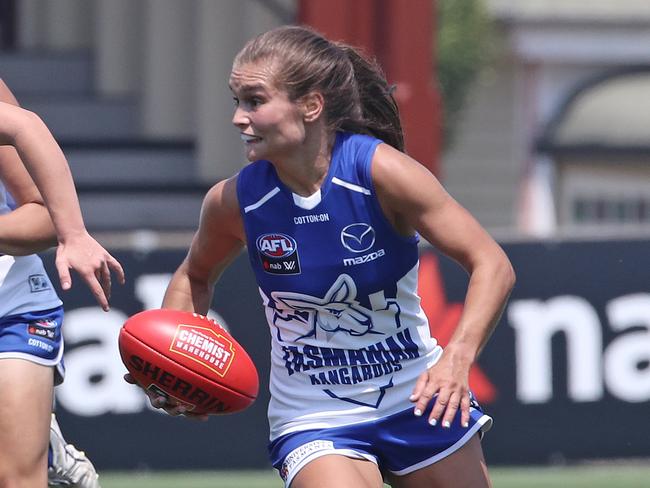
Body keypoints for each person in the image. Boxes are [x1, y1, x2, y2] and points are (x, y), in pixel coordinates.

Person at [136, 25, 515, 487]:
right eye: (236, 101)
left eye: (254, 101)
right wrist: (174, 368)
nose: (238, 117)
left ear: (311, 106)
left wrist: (457, 356)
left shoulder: (381, 173)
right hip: (314, 415)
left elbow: (491, 263)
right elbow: (194, 276)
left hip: (418, 396)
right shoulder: (235, 201)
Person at [0, 78, 124, 487]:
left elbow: (26, 129)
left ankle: (36, 447)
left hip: (11, 306)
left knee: (14, 476)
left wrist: (73, 234)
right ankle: (44, 444)